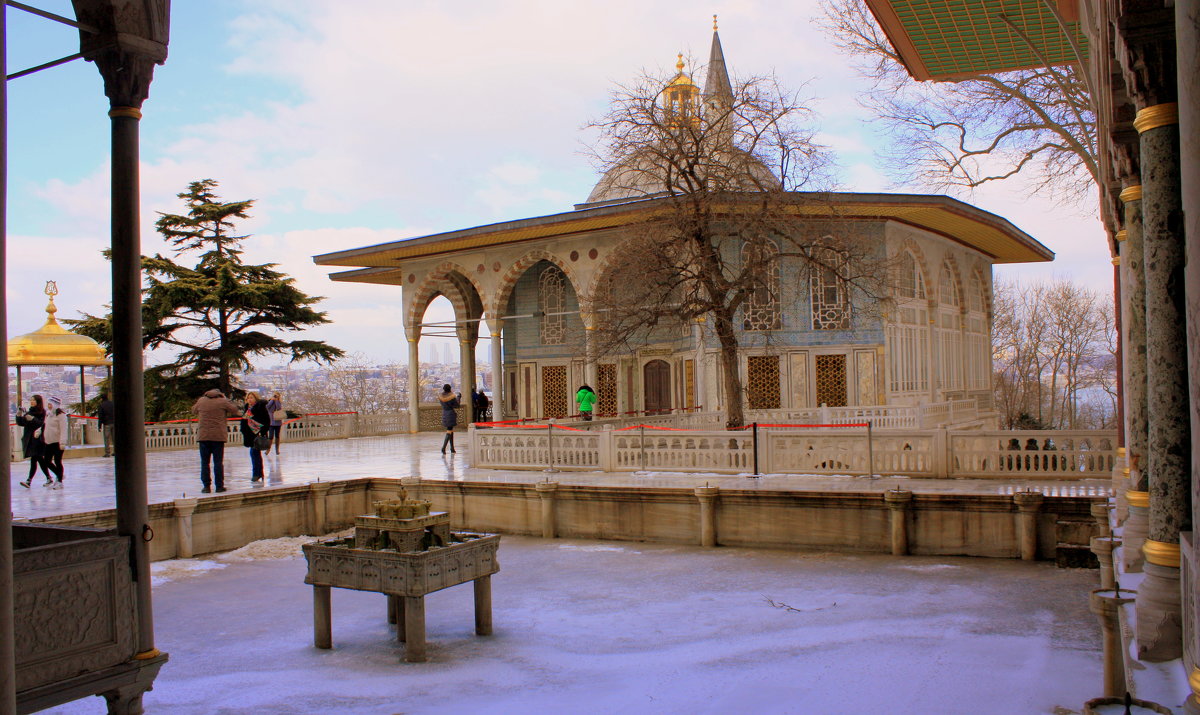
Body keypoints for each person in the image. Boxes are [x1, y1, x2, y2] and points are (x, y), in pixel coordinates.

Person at [192, 388, 240, 493]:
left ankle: (206, 486)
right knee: (218, 462)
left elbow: (194, 410)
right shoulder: (222, 401)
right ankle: (219, 486)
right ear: (219, 394)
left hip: (203, 436)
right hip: (218, 437)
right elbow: (235, 410)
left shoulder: (201, 400)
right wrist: (226, 399)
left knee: (204, 462)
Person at [17, 395, 50, 488]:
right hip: (30, 439)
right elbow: (21, 423)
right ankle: (48, 477)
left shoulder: (42, 412)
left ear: (38, 402)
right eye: (31, 400)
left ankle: (29, 480)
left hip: (38, 439)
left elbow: (41, 423)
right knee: (38, 459)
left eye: (33, 400)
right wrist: (19, 415)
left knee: (36, 459)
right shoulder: (29, 412)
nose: (32, 402)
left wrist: (32, 419)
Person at [241, 391, 271, 482]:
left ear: (255, 399)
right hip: (250, 434)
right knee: (255, 454)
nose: (249, 400)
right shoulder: (247, 408)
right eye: (248, 398)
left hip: (257, 434)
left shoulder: (260, 408)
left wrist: (261, 430)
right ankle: (259, 473)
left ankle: (256, 474)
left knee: (254, 453)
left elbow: (266, 421)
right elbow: (244, 420)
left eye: (251, 398)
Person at [38, 396, 67, 488]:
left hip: (58, 442)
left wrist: (62, 442)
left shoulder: (61, 415)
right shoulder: (48, 414)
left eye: (50, 404)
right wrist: (39, 431)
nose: (49, 406)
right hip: (49, 442)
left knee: (58, 461)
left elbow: (63, 429)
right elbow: (44, 425)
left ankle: (59, 480)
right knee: (47, 461)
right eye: (48, 404)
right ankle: (59, 474)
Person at [439, 384, 460, 454]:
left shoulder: (441, 396)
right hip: (450, 414)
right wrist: (458, 397)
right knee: (449, 430)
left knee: (450, 430)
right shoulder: (452, 397)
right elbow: (457, 405)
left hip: (444, 413)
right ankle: (443, 447)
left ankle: (452, 448)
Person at [96, 391, 116, 457]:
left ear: (101, 398)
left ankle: (107, 453)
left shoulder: (101, 405)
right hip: (114, 422)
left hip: (107, 423)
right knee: (114, 438)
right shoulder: (112, 403)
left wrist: (99, 426)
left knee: (106, 438)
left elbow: (100, 416)